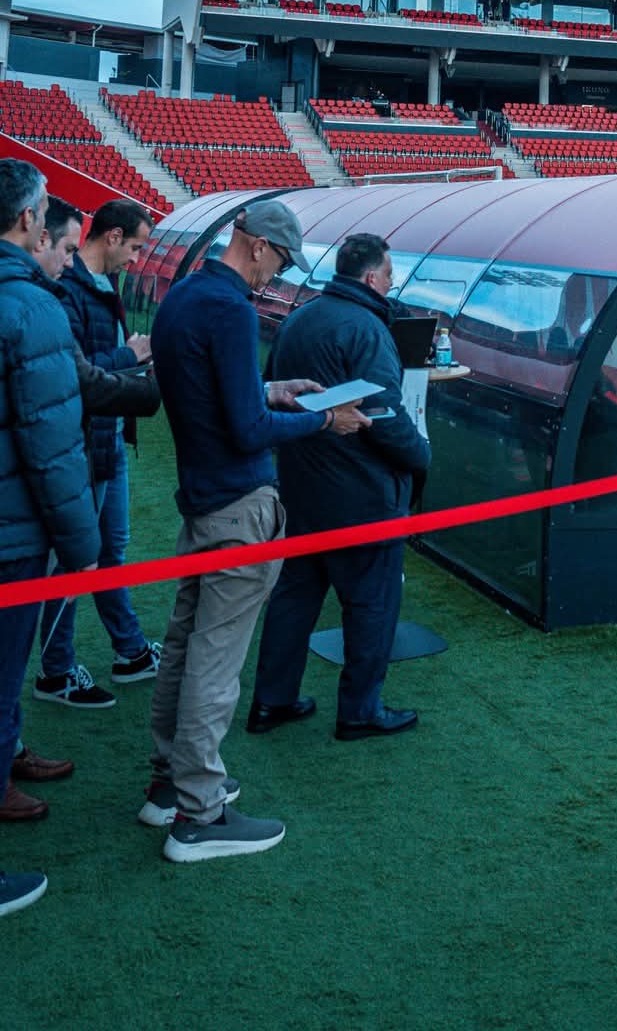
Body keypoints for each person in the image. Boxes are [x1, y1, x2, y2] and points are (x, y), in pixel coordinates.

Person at [146, 198, 370, 862]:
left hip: (201, 501)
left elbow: (213, 395)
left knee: (184, 647)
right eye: (278, 260)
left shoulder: (185, 295)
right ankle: (199, 814)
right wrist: (325, 420)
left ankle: (169, 786)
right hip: (237, 506)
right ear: (257, 245)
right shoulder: (231, 308)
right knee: (214, 663)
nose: (275, 275)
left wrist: (274, 389)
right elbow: (246, 430)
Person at [248, 234, 429, 741]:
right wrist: (421, 456)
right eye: (389, 275)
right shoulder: (367, 329)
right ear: (371, 277)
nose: (392, 283)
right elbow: (384, 417)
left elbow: (271, 389)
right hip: (361, 495)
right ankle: (359, 712)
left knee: (295, 595)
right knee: (371, 602)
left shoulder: (301, 316)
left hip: (302, 487)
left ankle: (272, 701)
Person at [0, 161, 101, 918]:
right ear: (30, 219)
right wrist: (82, 544)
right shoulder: (29, 304)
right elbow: (50, 441)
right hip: (11, 537)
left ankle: (9, 755)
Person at [36, 200, 161, 707]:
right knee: (76, 558)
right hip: (83, 445)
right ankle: (56, 672)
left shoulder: (102, 282)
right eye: (134, 246)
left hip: (107, 439)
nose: (137, 258)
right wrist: (131, 356)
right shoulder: (67, 286)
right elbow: (77, 373)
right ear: (111, 237)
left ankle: (129, 651)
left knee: (109, 552)